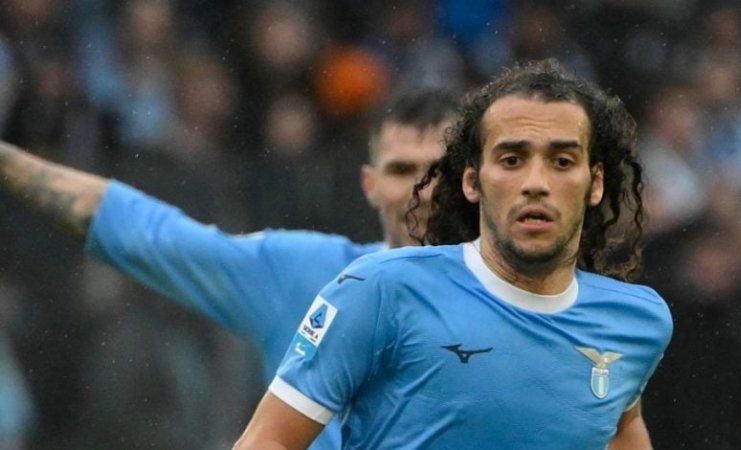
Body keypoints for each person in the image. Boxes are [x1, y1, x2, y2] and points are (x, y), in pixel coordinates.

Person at [236, 59, 673, 449]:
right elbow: (269, 439)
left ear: (595, 183)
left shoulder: (637, 321)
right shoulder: (381, 290)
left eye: (561, 161)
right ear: (471, 181)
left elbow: (620, 427)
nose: (536, 183)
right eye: (512, 159)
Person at [0, 88, 459, 450]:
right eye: (402, 170)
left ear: (469, 180)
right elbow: (145, 232)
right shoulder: (303, 275)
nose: (422, 190)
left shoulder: (501, 290)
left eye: (438, 170)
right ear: (370, 183)